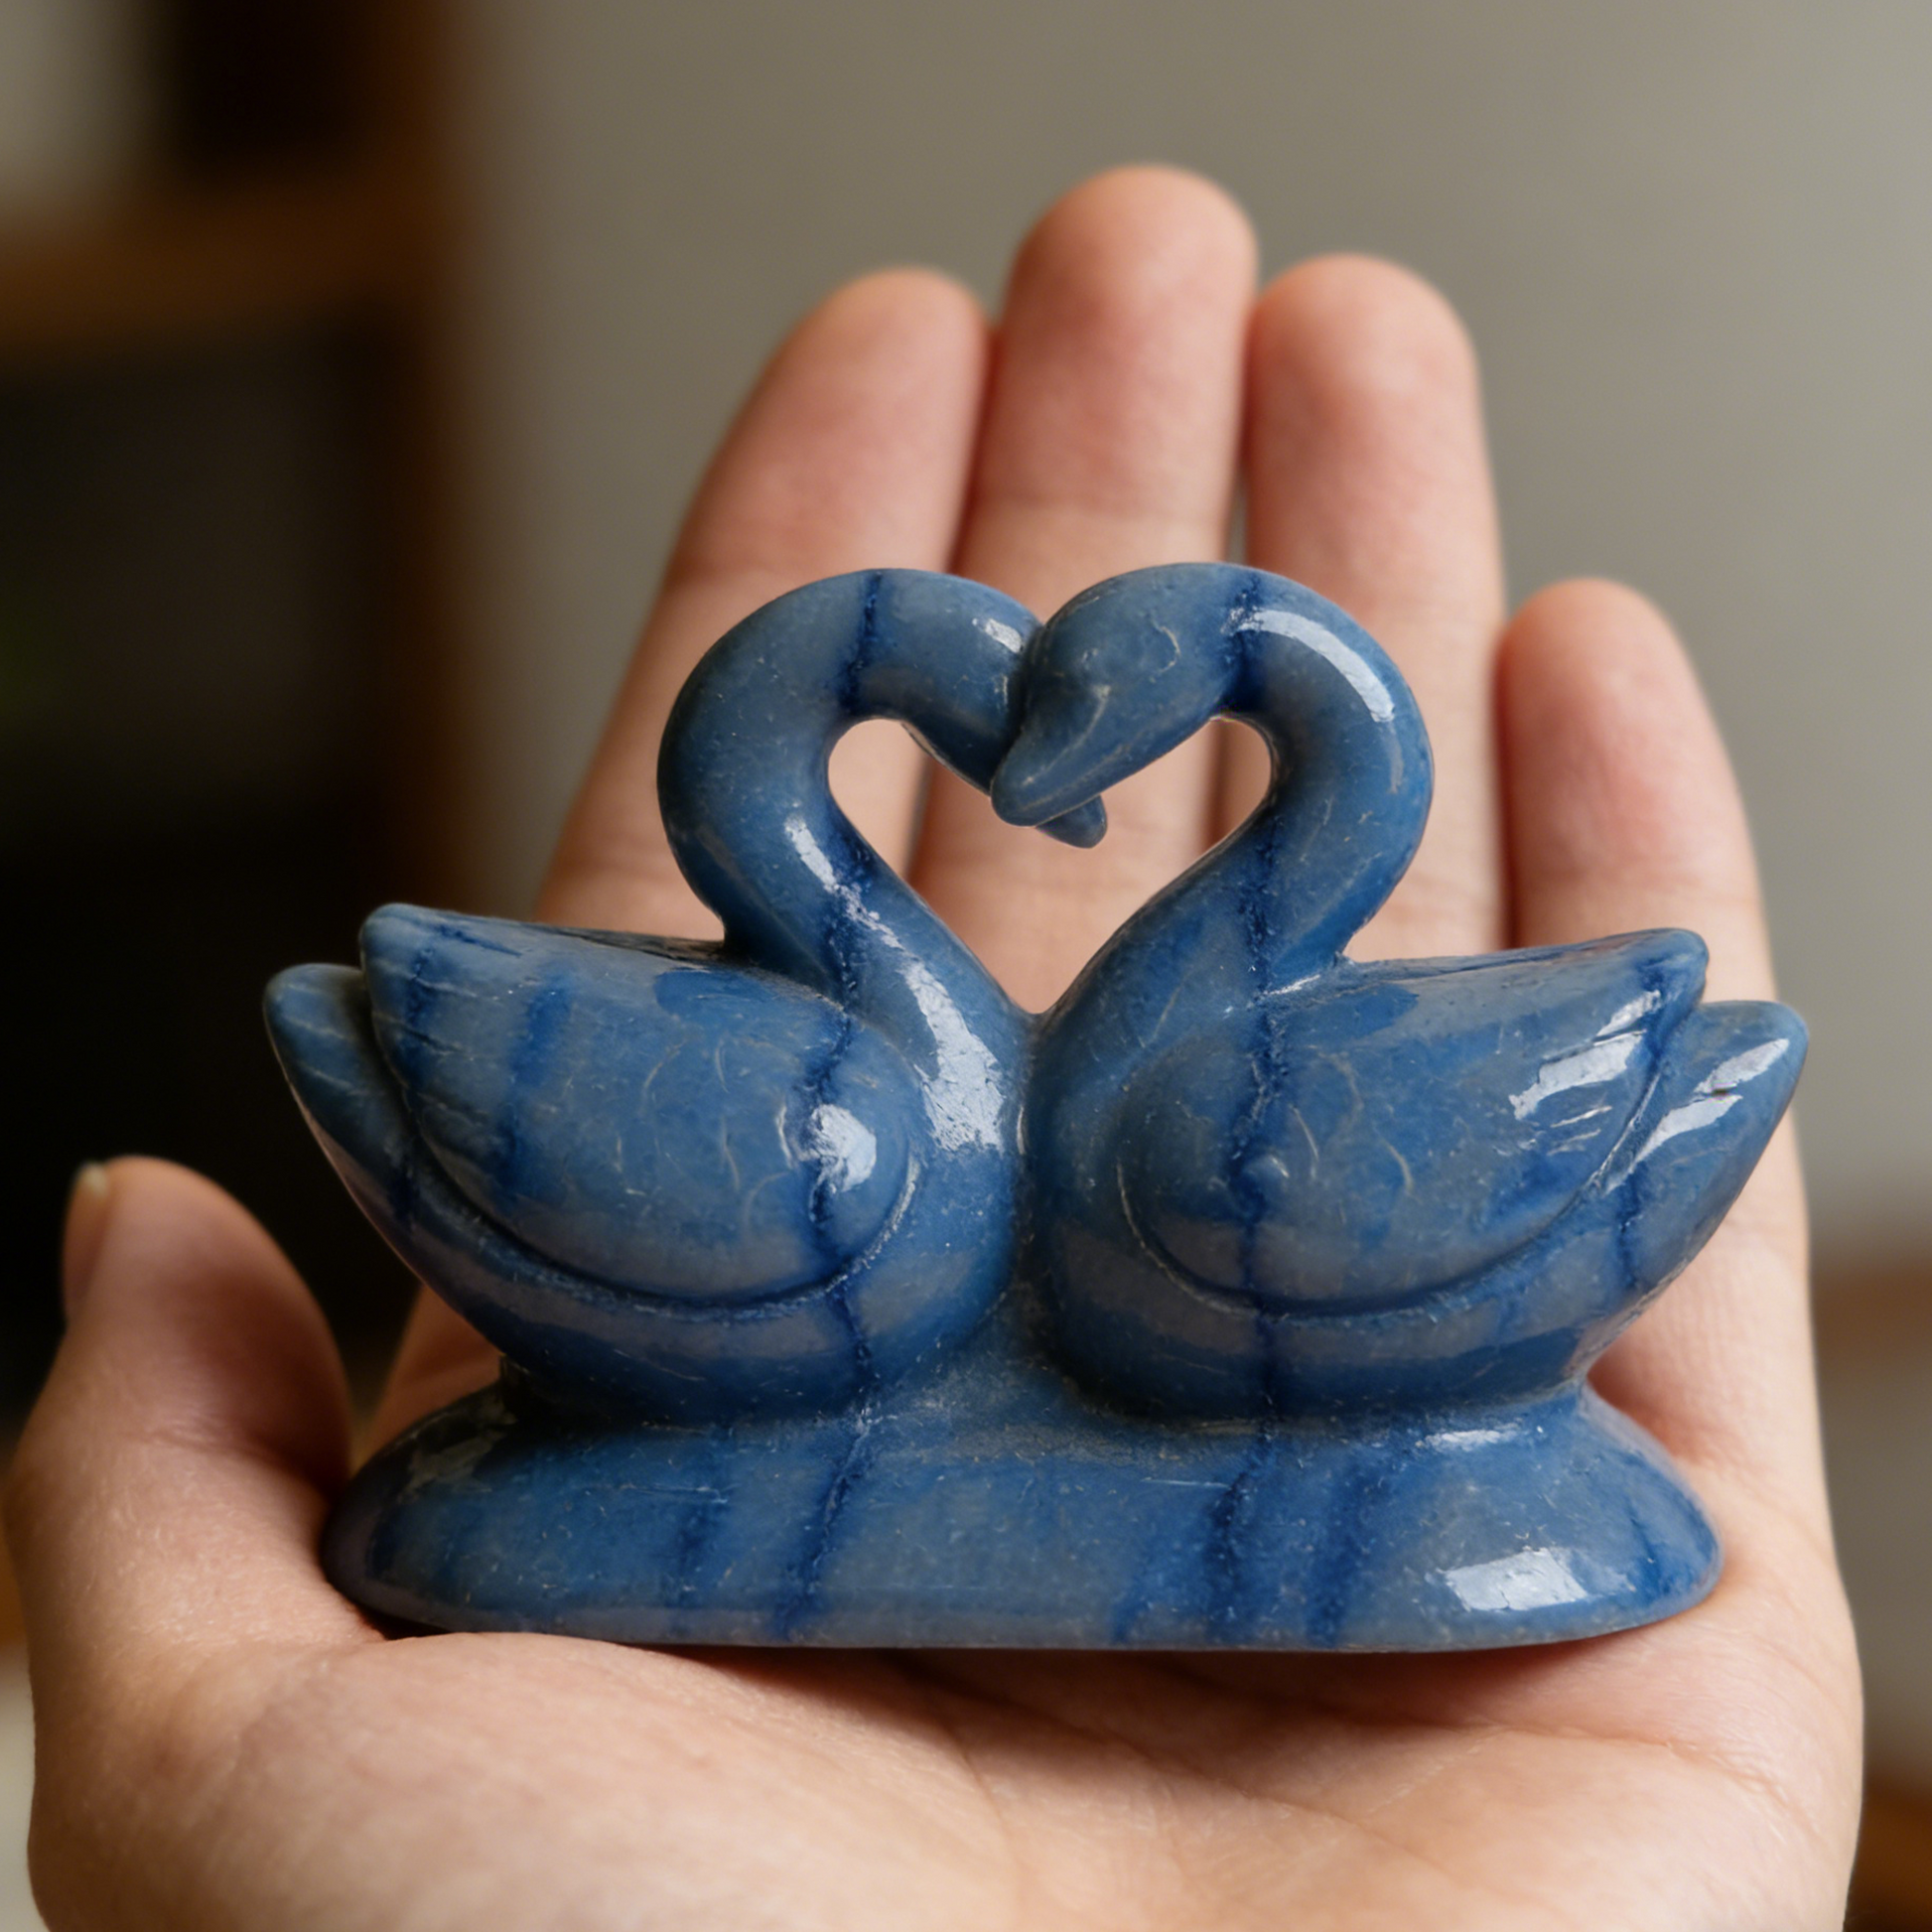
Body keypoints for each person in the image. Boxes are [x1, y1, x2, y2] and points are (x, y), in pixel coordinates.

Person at [3, 168, 1861, 1929]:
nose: (1050, 783)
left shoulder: (1208, 1141)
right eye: (1029, 733)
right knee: (877, 1167)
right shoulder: (857, 1141)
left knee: (1180, 1164)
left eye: (1080, 732)